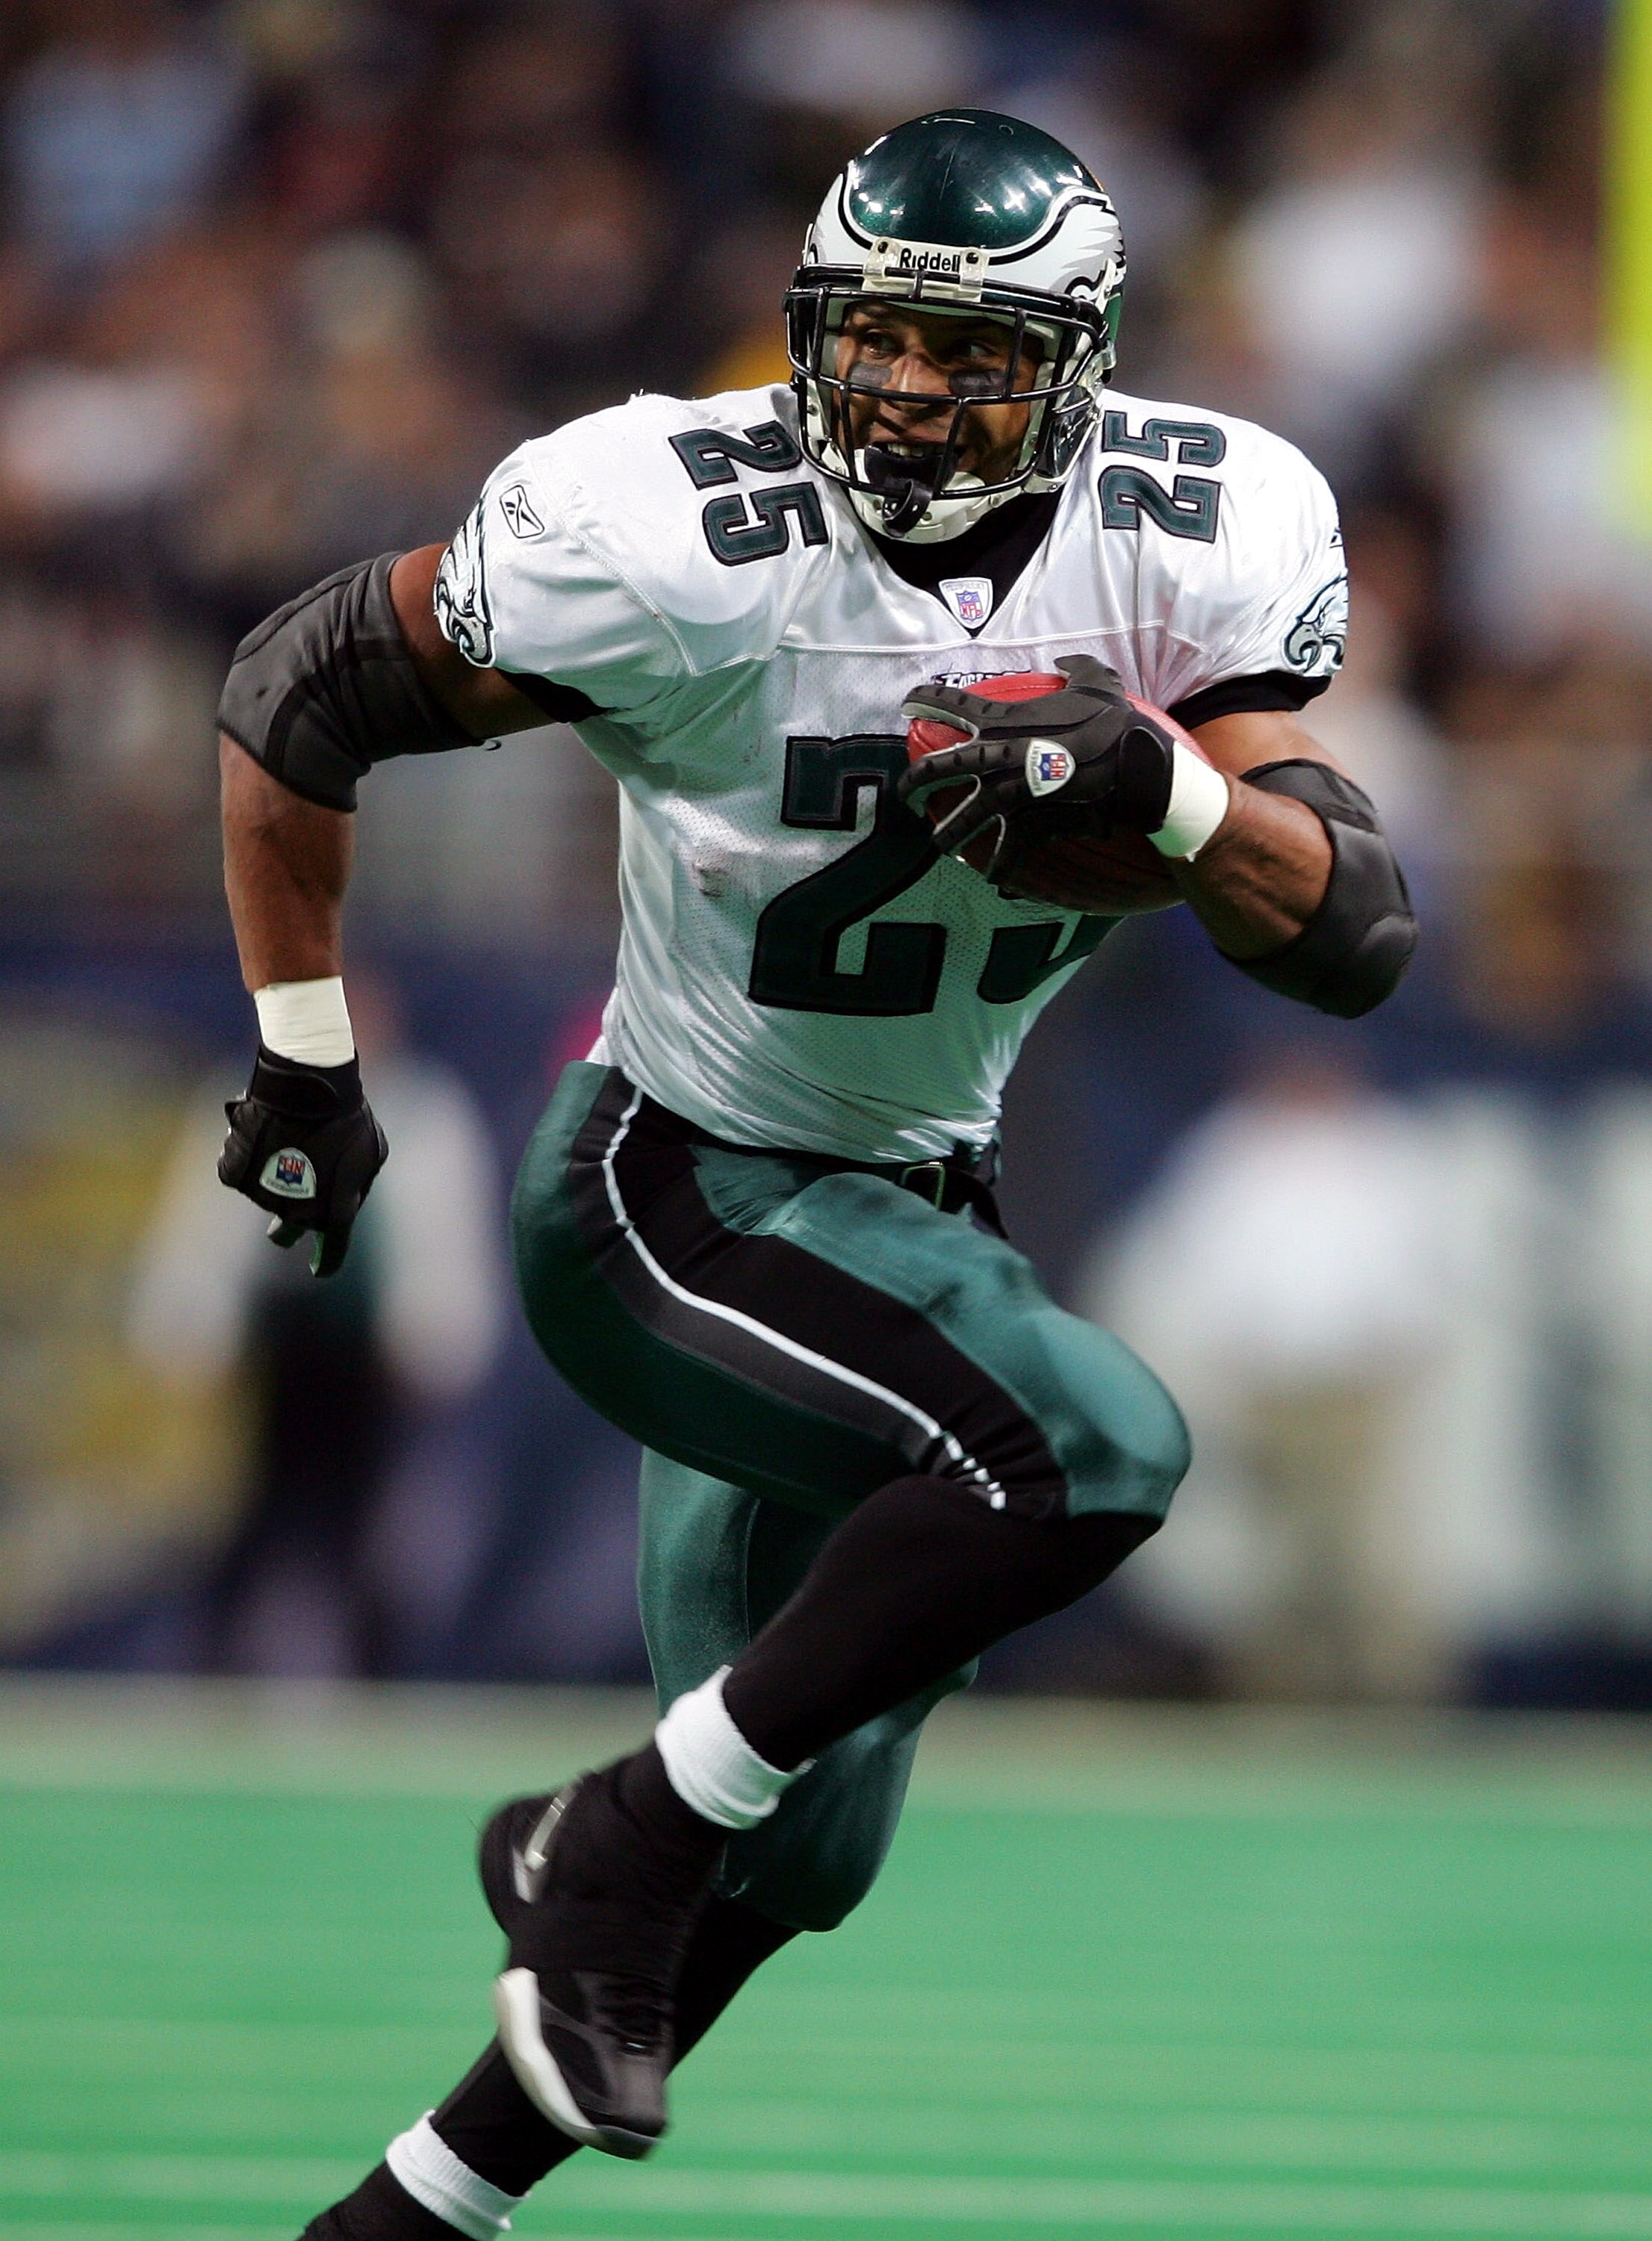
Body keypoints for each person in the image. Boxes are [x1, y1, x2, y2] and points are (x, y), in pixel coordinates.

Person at [212, 109, 1415, 2240]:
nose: (907, 395)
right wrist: (305, 1065)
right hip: (670, 1191)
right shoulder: (663, 521)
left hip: (902, 1224)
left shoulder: (1192, 526)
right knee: (1084, 1451)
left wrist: (1154, 800)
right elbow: (301, 684)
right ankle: (602, 1834)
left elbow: (1348, 930)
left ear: (1079, 368)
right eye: (871, 343)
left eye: (968, 356)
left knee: (797, 1844)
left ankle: (402, 2217)